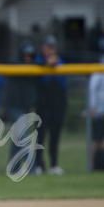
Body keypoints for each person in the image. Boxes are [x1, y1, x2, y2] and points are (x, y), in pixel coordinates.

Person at [3, 41, 40, 175]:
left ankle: (13, 167)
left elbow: (41, 64)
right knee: (23, 137)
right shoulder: (15, 64)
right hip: (13, 107)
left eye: (30, 55)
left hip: (25, 108)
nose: (28, 58)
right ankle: (32, 168)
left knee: (17, 138)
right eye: (26, 55)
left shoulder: (34, 67)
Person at [34, 35, 68, 175]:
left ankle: (54, 165)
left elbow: (62, 80)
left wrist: (54, 64)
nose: (50, 49)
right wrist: (48, 65)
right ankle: (39, 165)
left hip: (58, 105)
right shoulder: (38, 61)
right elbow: (41, 77)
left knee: (55, 136)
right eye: (48, 47)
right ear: (43, 47)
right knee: (40, 137)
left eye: (52, 47)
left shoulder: (61, 62)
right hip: (42, 105)